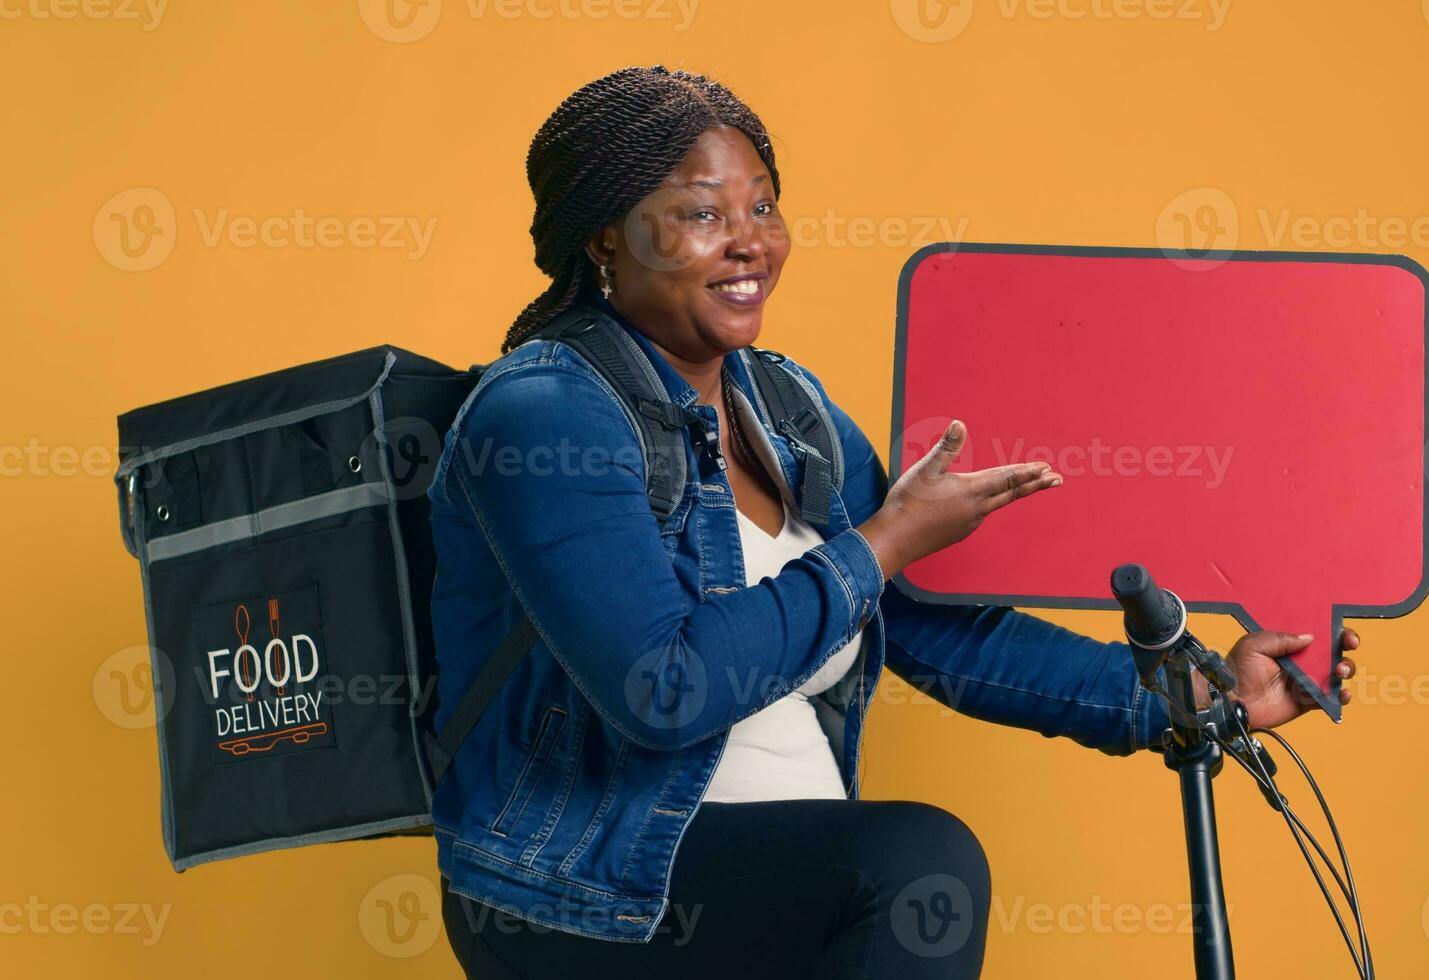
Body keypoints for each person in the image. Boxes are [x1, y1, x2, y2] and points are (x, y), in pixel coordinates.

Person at [424, 65, 1362, 980]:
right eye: (704, 215)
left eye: (763, 207)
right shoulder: (546, 415)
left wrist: (1194, 697)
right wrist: (883, 540)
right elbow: (663, 689)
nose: (751, 243)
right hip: (579, 896)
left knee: (903, 869)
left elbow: (924, 625)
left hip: (781, 890)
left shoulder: (790, 409)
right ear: (605, 240)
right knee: (918, 862)